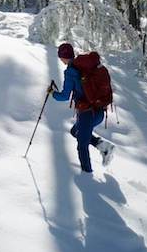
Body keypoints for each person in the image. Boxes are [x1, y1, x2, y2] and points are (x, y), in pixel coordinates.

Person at [48, 42, 115, 173]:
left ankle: (87, 175)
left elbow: (65, 96)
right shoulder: (84, 66)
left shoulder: (70, 72)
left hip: (87, 113)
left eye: (61, 57)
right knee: (75, 132)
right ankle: (104, 146)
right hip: (99, 111)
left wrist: (52, 93)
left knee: (82, 146)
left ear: (64, 56)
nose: (61, 60)